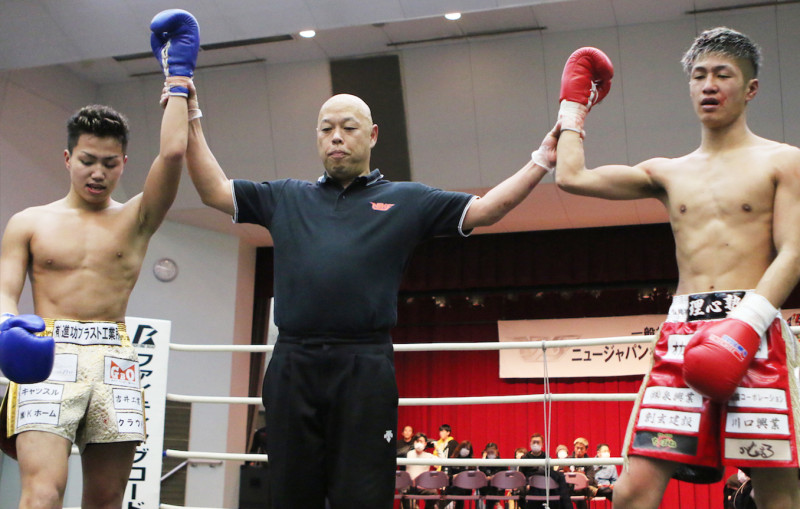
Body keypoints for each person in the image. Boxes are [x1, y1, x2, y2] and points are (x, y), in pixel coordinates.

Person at [183, 73, 554, 508]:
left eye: (348, 127)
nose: (336, 137)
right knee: (290, 494)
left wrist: (541, 160)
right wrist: (191, 115)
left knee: (362, 496)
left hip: (364, 363)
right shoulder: (285, 197)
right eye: (326, 129)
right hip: (293, 363)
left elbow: (487, 209)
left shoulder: (407, 199)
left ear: (373, 135)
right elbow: (213, 190)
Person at [554, 27, 800, 509]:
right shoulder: (667, 171)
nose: (709, 85)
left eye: (722, 74)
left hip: (755, 331)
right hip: (683, 334)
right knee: (632, 491)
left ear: (750, 88)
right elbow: (571, 176)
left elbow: (794, 250)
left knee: (777, 492)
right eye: (699, 75)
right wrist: (572, 109)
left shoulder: (784, 161)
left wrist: (744, 325)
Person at [0, 9, 196, 508]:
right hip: (48, 354)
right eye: (87, 160)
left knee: (107, 501)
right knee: (41, 493)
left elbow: (173, 155)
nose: (97, 173)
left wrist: (179, 79)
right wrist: (7, 325)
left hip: (115, 356)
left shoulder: (136, 218)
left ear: (123, 164)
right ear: (68, 159)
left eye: (110, 164)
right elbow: (4, 289)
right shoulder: (28, 221)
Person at [405, 433, 437, 509]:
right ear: (414, 442)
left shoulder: (428, 456)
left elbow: (443, 461)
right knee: (404, 490)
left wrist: (437, 448)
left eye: (421, 441)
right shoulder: (408, 454)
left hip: (423, 486)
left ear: (425, 443)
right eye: (417, 441)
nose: (419, 443)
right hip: (410, 485)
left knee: (434, 493)